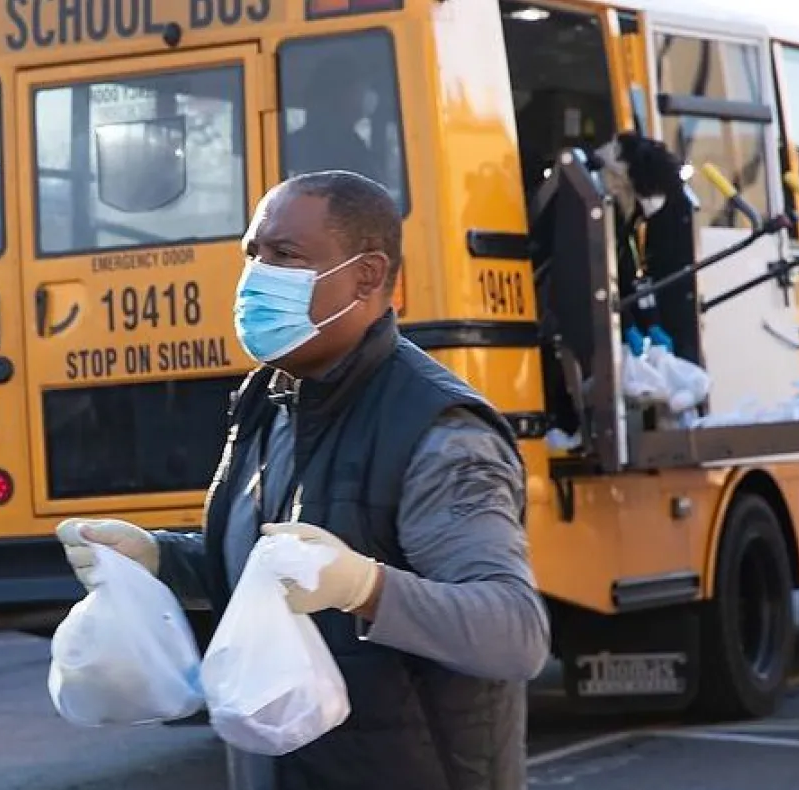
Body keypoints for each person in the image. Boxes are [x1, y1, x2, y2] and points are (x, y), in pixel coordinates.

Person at [56, 171, 551, 790]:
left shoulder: (438, 432)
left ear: (367, 276)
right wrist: (158, 557)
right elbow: (275, 570)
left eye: (284, 257)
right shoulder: (273, 399)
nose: (255, 278)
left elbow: (514, 632)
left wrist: (365, 587)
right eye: (252, 255)